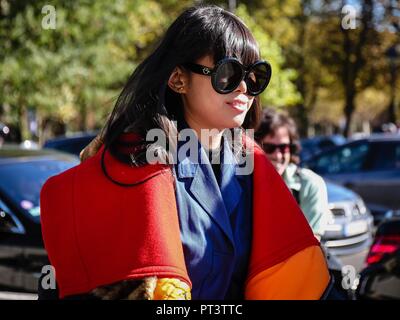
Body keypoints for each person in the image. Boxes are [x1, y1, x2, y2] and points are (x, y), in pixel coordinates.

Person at [39, 5, 330, 300]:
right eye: (228, 72)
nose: (244, 87)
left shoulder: (251, 165)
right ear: (178, 79)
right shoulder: (133, 166)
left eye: (255, 75)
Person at [255, 108, 330, 239]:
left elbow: (310, 244)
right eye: (269, 148)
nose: (278, 156)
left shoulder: (310, 184)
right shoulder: (241, 183)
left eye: (284, 148)